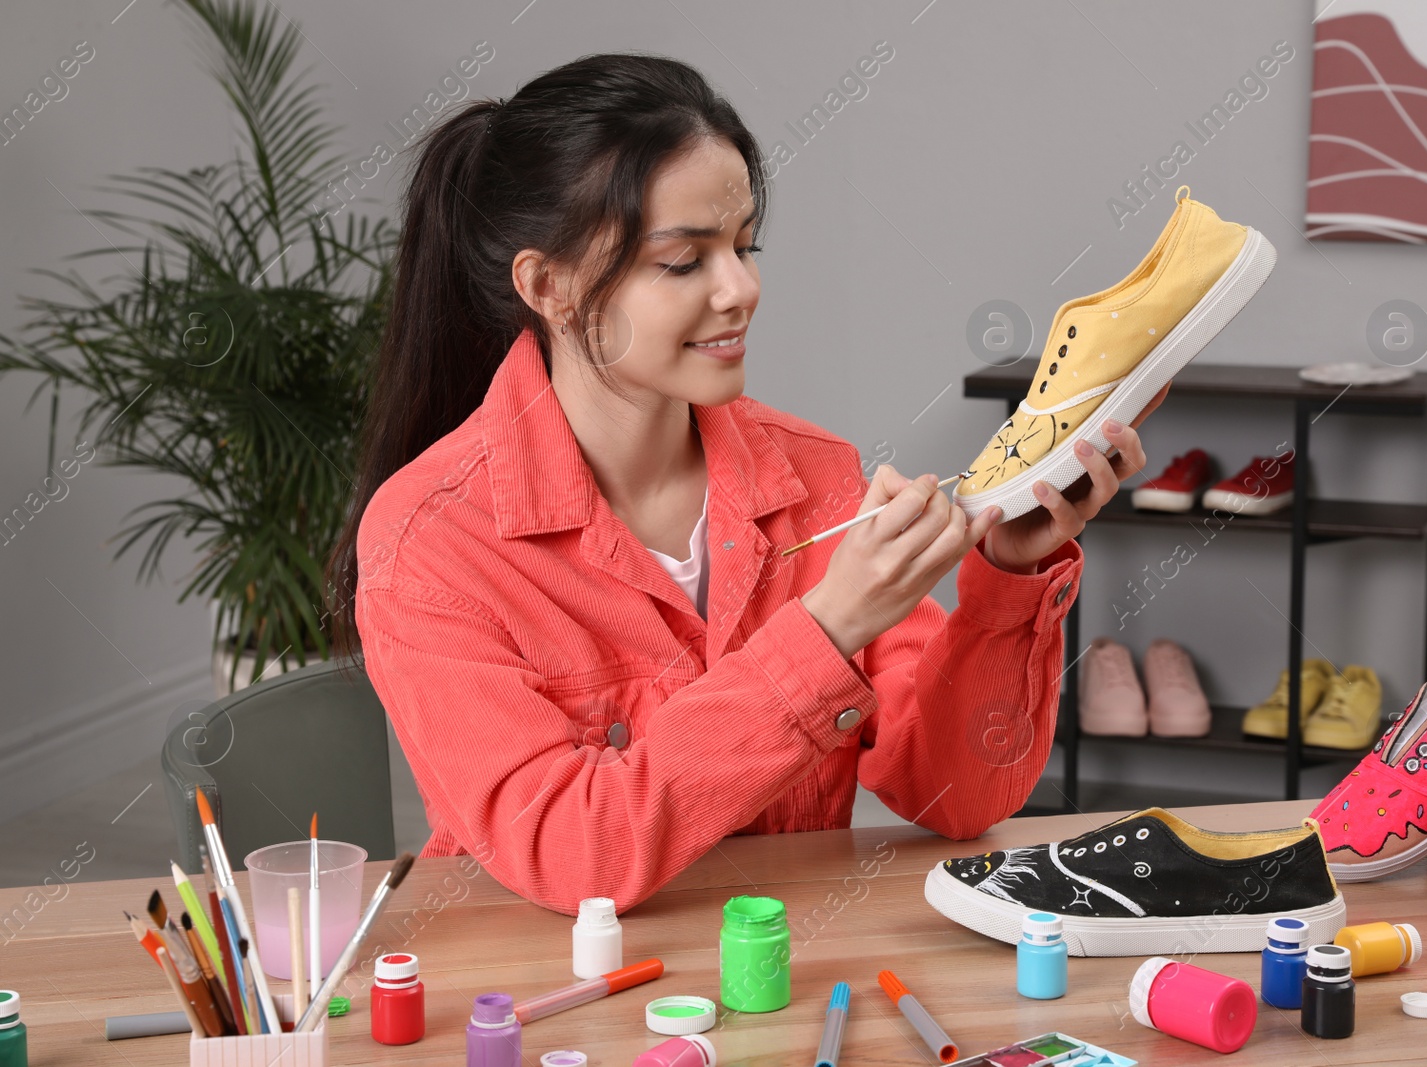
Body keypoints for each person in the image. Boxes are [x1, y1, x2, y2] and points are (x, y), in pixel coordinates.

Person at [324, 52, 1165, 916]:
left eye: (743, 244)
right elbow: (572, 849)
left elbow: (958, 799)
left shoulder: (816, 472)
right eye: (684, 262)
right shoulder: (428, 540)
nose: (742, 288)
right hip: (556, 1009)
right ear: (549, 284)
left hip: (790, 988)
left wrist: (1009, 581)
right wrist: (827, 629)